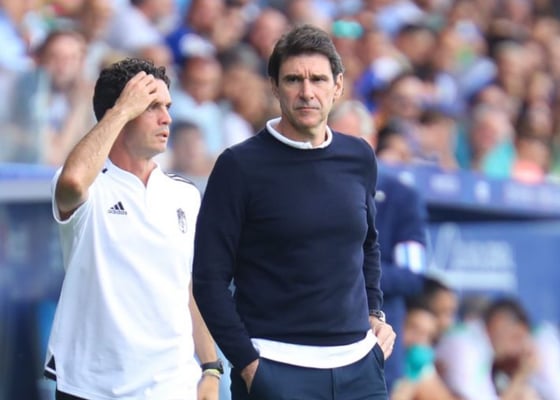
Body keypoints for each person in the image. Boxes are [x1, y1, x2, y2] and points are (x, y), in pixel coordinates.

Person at [192, 24, 396, 400]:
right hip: (276, 367)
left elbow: (368, 245)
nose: (306, 92)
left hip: (360, 370)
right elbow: (208, 279)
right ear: (274, 86)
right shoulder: (239, 166)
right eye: (293, 80)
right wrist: (248, 364)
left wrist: (375, 313)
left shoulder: (359, 156)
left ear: (337, 86)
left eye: (318, 79)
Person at [43, 57, 219, 400]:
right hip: (91, 387)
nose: (167, 118)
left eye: (167, 106)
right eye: (152, 106)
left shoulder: (185, 194)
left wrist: (210, 367)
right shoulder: (89, 185)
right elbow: (73, 182)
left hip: (173, 386)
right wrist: (122, 110)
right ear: (121, 111)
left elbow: (187, 286)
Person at [328, 99, 429, 393]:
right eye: (334, 138)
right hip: (318, 340)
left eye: (352, 139)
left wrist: (349, 276)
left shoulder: (400, 197)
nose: (341, 149)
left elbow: (412, 273)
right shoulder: (305, 191)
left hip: (375, 338)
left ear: (371, 141)